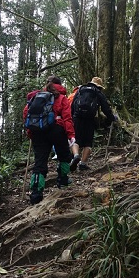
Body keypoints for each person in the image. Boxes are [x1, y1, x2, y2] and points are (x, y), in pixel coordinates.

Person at [23, 75, 76, 204]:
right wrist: (71, 135)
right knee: (64, 155)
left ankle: (36, 193)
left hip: (38, 132)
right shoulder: (62, 98)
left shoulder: (36, 97)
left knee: (39, 162)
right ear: (60, 85)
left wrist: (30, 132)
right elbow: (67, 118)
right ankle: (63, 180)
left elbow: (26, 113)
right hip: (57, 130)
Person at [70, 77, 117, 171]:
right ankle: (83, 164)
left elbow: (73, 105)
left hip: (77, 117)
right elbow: (105, 108)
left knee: (76, 139)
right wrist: (112, 118)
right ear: (99, 86)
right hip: (90, 119)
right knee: (88, 142)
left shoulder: (81, 90)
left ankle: (76, 156)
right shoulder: (97, 92)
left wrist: (72, 117)